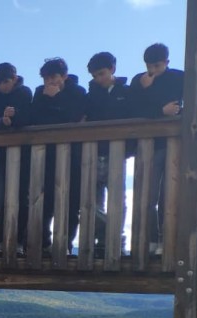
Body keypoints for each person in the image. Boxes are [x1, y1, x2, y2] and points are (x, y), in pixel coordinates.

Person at [129, 43, 184, 255]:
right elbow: (132, 109)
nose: (152, 70)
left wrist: (175, 112)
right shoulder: (139, 81)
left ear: (167, 62)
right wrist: (148, 93)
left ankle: (166, 242)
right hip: (148, 145)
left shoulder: (180, 78)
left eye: (157, 65)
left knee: (169, 196)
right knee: (147, 195)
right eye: (149, 65)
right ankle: (149, 242)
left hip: (173, 144)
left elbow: (190, 106)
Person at [32, 57, 87, 253]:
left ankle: (64, 244)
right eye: (46, 79)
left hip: (73, 155)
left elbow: (74, 117)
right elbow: (36, 118)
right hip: (46, 154)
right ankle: (44, 243)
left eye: (53, 77)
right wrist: (48, 98)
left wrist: (56, 98)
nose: (49, 82)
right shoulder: (40, 93)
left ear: (64, 76)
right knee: (44, 199)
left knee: (71, 201)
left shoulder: (78, 92)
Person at [85, 51, 133, 257]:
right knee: (91, 202)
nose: (98, 79)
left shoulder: (127, 92)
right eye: (95, 76)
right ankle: (103, 237)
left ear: (112, 69)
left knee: (117, 200)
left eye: (101, 74)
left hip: (117, 153)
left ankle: (114, 238)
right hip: (94, 152)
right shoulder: (90, 96)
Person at [0, 62, 33, 256]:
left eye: (6, 82)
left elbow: (30, 118)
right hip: (0, 155)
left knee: (22, 198)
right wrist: (2, 121)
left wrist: (15, 117)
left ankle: (19, 242)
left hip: (23, 154)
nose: (2, 86)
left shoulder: (25, 93)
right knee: (0, 199)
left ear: (14, 79)